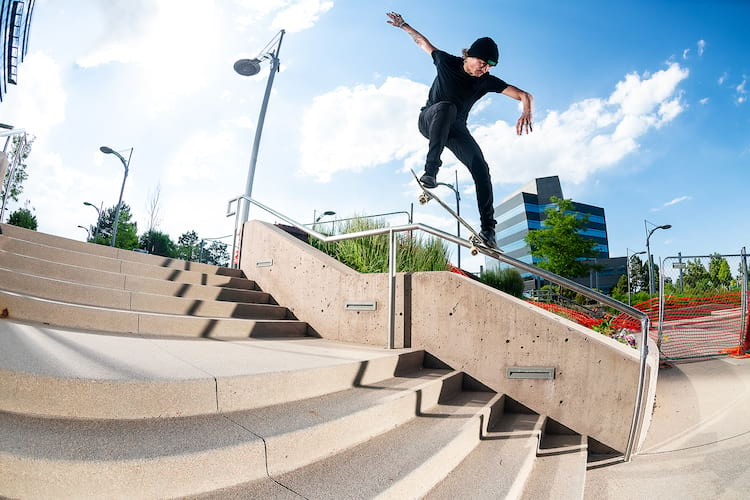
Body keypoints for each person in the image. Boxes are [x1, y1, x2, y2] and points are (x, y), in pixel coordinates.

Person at [386, 12, 533, 249]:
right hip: (430, 119)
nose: (484, 70)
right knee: (446, 106)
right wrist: (404, 25)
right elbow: (423, 42)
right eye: (482, 64)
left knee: (481, 168)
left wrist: (526, 109)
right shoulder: (446, 62)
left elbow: (523, 94)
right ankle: (431, 171)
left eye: (489, 67)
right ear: (470, 56)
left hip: (455, 130)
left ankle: (488, 230)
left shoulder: (486, 81)